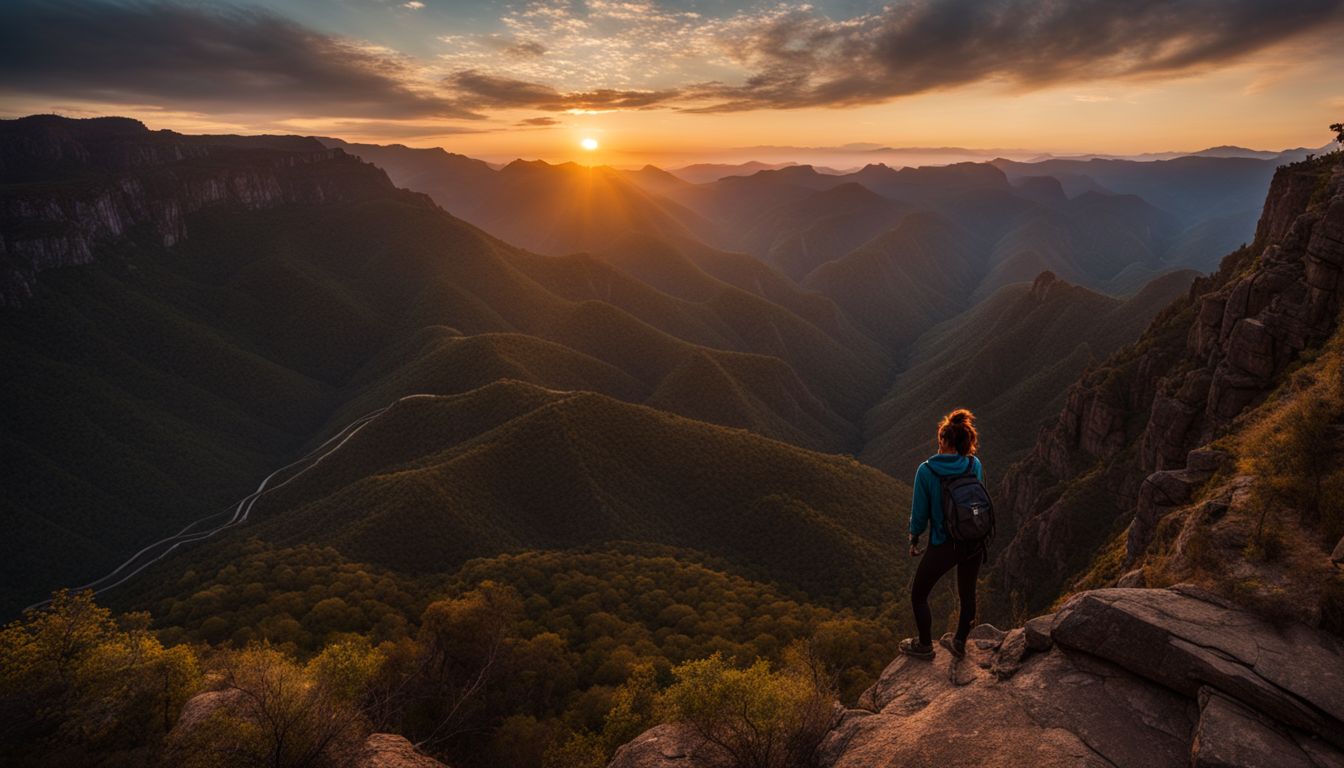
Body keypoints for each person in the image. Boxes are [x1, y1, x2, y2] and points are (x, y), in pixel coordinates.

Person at [899, 408, 985, 660]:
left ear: (947, 442)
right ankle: (959, 642)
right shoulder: (974, 464)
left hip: (945, 543)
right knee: (967, 593)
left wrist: (914, 538)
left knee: (919, 595)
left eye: (940, 442)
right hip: (974, 538)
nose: (938, 446)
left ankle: (925, 645)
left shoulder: (926, 471)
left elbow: (920, 513)